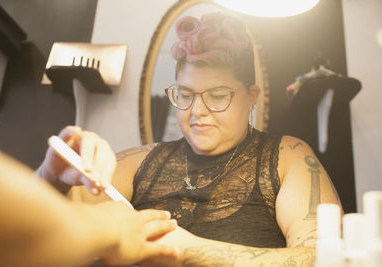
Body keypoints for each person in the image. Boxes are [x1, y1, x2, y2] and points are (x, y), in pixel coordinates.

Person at [37, 12, 342, 266]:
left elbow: (324, 258)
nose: (197, 111)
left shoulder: (289, 157)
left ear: (251, 98)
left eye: (218, 96)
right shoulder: (139, 162)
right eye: (184, 95)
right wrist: (52, 179)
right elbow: (37, 228)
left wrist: (190, 249)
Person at [0, 93, 178, 265]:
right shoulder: (143, 159)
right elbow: (0, 228)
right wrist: (112, 226)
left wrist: (48, 180)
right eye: (185, 95)